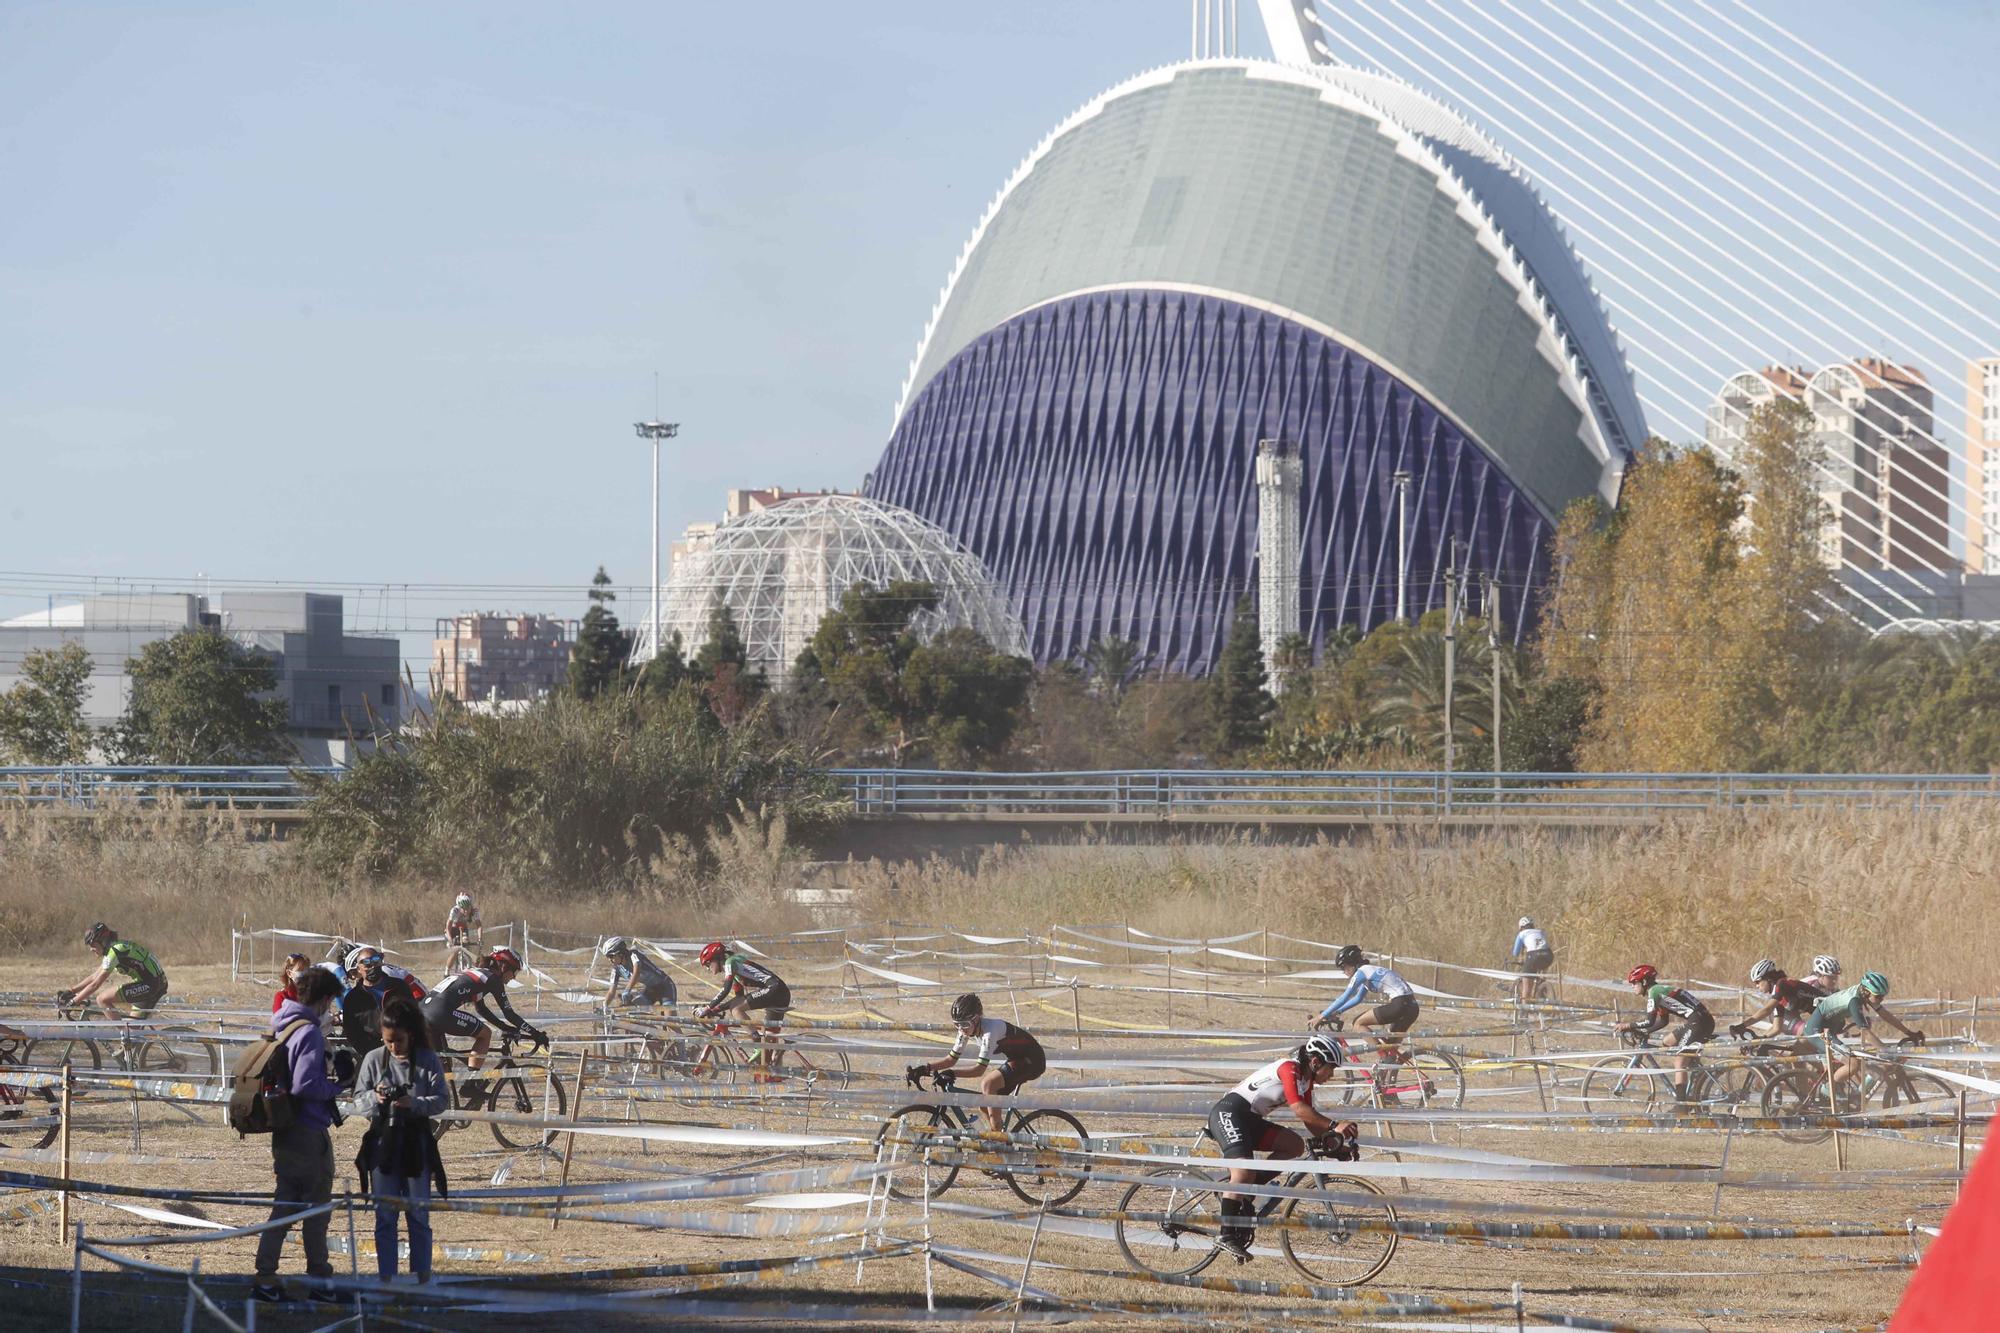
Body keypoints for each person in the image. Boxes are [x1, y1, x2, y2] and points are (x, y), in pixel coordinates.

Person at [1207, 1035, 1358, 1263]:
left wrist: (1336, 1148)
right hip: (1229, 1113)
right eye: (1331, 1068)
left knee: (1294, 1145)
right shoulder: (1290, 1069)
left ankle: (1241, 1193)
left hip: (1250, 1120)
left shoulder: (1306, 1081)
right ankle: (1226, 1234)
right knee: (1243, 1173)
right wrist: (1335, 1126)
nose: (1332, 1075)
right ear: (1316, 1062)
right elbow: (1299, 1109)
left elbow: (1310, 1122)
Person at [252, 967, 345, 1303]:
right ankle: (317, 1280)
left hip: (288, 1129)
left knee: (287, 1204)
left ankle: (267, 1276)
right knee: (313, 1209)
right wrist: (337, 1086)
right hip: (307, 1129)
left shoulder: (284, 1022)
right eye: (331, 1000)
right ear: (323, 999)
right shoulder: (307, 1032)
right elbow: (305, 1084)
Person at [348, 999, 448, 1285]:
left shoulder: (428, 1059)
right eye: (388, 1041)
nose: (394, 1047)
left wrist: (413, 1103)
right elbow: (358, 1101)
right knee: (385, 1214)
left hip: (417, 1143)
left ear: (411, 1035)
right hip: (383, 1144)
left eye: (399, 1041)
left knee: (419, 1213)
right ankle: (386, 1276)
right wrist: (375, 1099)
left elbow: (441, 1100)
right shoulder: (373, 1059)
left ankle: (422, 1274)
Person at [908, 994, 1047, 1134]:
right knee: (983, 1104)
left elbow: (979, 1070)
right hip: (1016, 1059)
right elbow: (951, 1059)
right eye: (957, 1025)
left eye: (965, 1024)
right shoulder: (966, 1030)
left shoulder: (991, 1030)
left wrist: (953, 1073)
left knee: (988, 1084)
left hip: (1033, 1060)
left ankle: (998, 1138)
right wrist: (926, 1068)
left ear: (977, 1018)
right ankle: (1000, 1141)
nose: (961, 1029)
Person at [418, 948, 543, 1074]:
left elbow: (481, 1009)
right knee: (485, 1034)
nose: (514, 977)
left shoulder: (477, 973)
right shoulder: (492, 979)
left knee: (443, 1070)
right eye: (515, 971)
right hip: (440, 1013)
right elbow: (509, 1014)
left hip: (421, 1012)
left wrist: (504, 1027)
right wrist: (535, 1034)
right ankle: (472, 1082)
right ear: (504, 966)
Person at [1800, 970, 1925, 1095]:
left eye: (1883, 996)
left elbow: (1886, 1015)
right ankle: (1825, 1090)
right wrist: (1886, 1051)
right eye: (1878, 996)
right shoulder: (1854, 1001)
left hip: (1830, 1028)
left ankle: (1838, 1097)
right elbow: (1865, 1033)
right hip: (1818, 1030)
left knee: (1851, 1064)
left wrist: (1909, 1033)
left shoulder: (1865, 994)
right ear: (1866, 991)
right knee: (1852, 1063)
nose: (1881, 999)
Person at [1614, 965, 1714, 1103]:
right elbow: (1663, 1021)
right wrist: (1644, 1032)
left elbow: (1649, 1020)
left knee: (1679, 1061)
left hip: (1699, 1023)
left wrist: (1627, 1025)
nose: (1632, 986)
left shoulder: (1654, 992)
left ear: (1644, 982)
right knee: (1668, 1042)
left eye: (1634, 983)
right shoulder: (1659, 992)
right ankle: (1696, 1072)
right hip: (1698, 1021)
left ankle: (1681, 1105)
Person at [1311, 946, 1420, 1073]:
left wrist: (1322, 1016)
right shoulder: (1369, 971)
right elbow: (1358, 998)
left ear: (1352, 964)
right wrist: (1337, 1012)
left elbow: (1345, 996)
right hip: (1412, 1007)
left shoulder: (1361, 972)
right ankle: (1388, 1086)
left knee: (1358, 1023)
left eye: (1344, 967)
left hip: (1400, 1004)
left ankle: (1384, 1057)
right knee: (1391, 1049)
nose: (1343, 971)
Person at [696, 941, 791, 1079]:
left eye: (707, 964)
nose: (707, 969)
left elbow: (725, 990)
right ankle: (775, 1077)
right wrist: (716, 1008)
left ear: (716, 958)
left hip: (774, 989)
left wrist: (708, 1008)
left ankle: (757, 1042)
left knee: (736, 1009)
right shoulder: (735, 971)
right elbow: (738, 997)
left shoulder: (729, 963)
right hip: (779, 991)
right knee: (769, 1041)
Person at [61, 923, 168, 1019]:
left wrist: (74, 1001)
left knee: (102, 1000)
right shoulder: (115, 948)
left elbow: (95, 985)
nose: (91, 949)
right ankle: (129, 1036)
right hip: (152, 982)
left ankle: (123, 1035)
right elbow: (94, 976)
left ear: (102, 941)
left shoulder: (115, 952)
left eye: (93, 945)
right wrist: (72, 991)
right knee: (133, 1032)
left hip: (150, 984)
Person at [340, 946, 429, 1058]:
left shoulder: (399, 987)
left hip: (405, 1052)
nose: (373, 966)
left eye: (376, 960)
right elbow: (352, 1031)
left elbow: (415, 1017)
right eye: (367, 964)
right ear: (358, 969)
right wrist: (369, 1053)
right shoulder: (353, 998)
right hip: (374, 1055)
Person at [1730, 960, 1820, 1039]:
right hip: (1822, 1014)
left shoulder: (1782, 984)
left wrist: (1742, 1026)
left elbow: (1767, 1010)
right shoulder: (1778, 997)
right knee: (1801, 1045)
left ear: (1768, 978)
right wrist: (1760, 1040)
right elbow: (1776, 1028)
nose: (1757, 986)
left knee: (1803, 1042)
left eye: (1758, 982)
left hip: (1828, 1007)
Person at [601, 937, 676, 1010]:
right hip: (651, 990)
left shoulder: (634, 955)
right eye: (607, 957)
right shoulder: (616, 969)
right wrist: (605, 1005)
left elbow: (636, 972)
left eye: (611, 956)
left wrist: (627, 990)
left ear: (620, 953)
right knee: (634, 1010)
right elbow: (611, 992)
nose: (609, 959)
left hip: (665, 986)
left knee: (669, 1018)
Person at [1509, 917, 1554, 1004]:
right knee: (1540, 969)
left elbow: (1515, 952)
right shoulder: (1540, 931)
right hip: (1548, 955)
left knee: (1527, 984)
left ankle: (1524, 1011)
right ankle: (1542, 988)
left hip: (1533, 955)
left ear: (1521, 927)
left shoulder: (1522, 934)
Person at [443, 894, 482, 962]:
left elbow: (479, 926)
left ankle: (466, 962)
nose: (466, 911)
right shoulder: (454, 911)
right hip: (452, 930)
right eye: (463, 909)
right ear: (459, 907)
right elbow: (448, 927)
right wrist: (450, 940)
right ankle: (448, 970)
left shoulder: (474, 911)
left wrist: (480, 939)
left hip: (463, 929)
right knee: (453, 950)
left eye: (468, 908)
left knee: (466, 943)